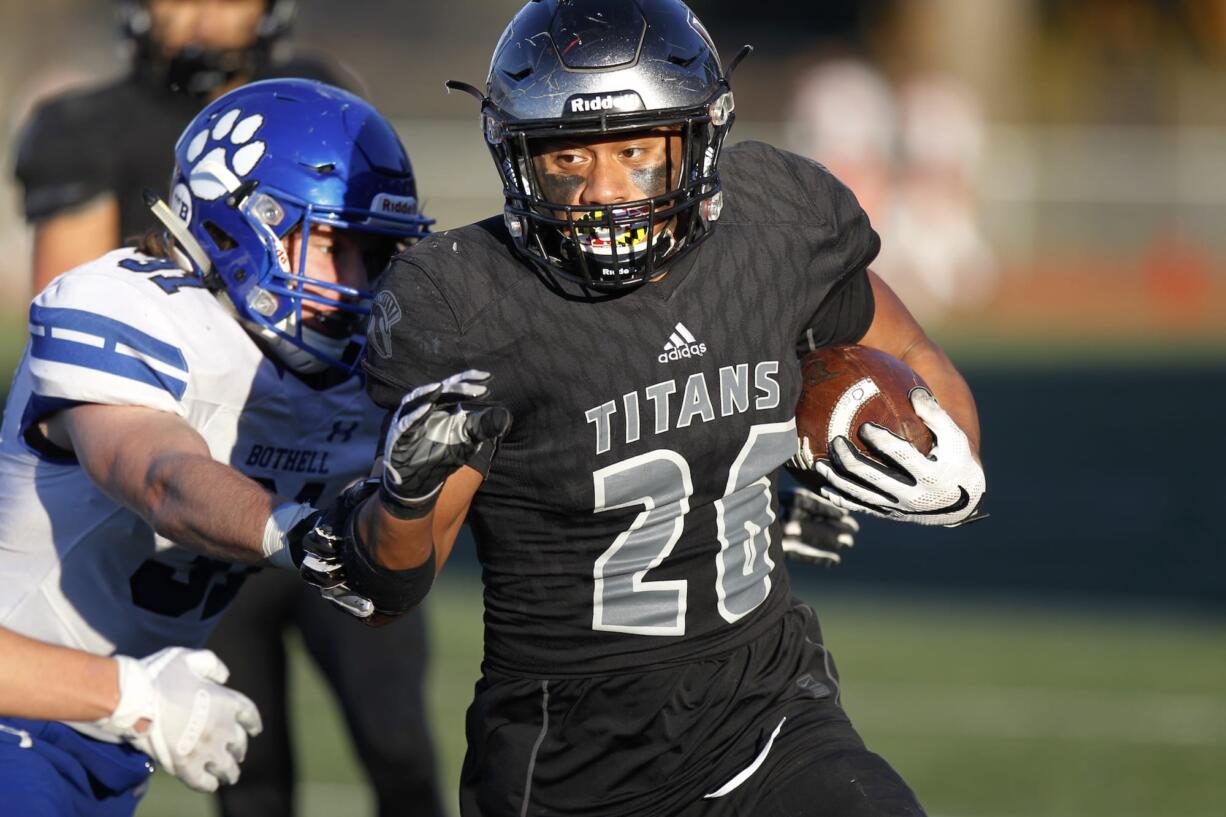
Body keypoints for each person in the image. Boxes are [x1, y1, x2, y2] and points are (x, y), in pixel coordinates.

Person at [296, 1, 988, 815]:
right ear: (517, 156)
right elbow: (389, 592)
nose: (603, 193)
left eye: (634, 152)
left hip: (770, 714)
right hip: (574, 769)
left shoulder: (779, 228)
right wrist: (403, 494)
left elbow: (911, 355)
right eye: (566, 160)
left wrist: (955, 463)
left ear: (698, 139)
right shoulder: (470, 303)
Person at [12, 5, 447, 816]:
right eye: (331, 244)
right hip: (26, 706)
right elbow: (165, 478)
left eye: (375, 253)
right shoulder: (122, 306)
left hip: (101, 723)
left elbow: (407, 568)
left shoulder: (347, 366)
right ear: (244, 223)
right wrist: (304, 535)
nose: (356, 283)